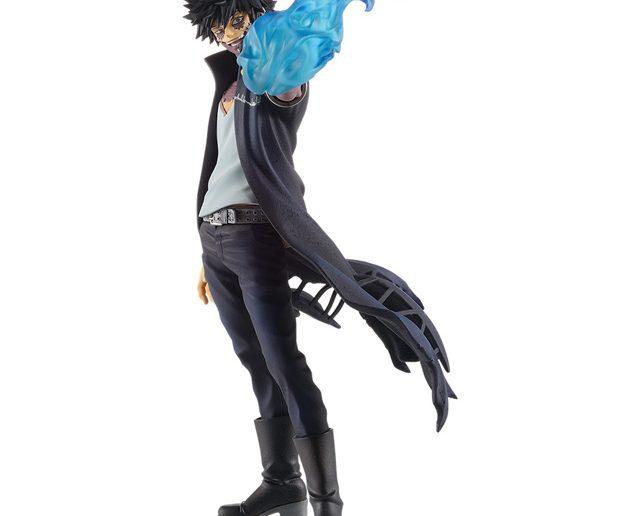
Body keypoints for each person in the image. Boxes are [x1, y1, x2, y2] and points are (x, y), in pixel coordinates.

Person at [184, 1, 455, 515]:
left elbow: (289, 78)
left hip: (256, 236)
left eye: (237, 22)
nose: (228, 35)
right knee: (254, 359)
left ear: (259, 15)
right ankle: (282, 480)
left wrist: (300, 39)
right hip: (215, 239)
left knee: (283, 361)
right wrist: (204, 252)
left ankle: (326, 501)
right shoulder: (227, 88)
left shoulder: (272, 80)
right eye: (218, 28)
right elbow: (222, 168)